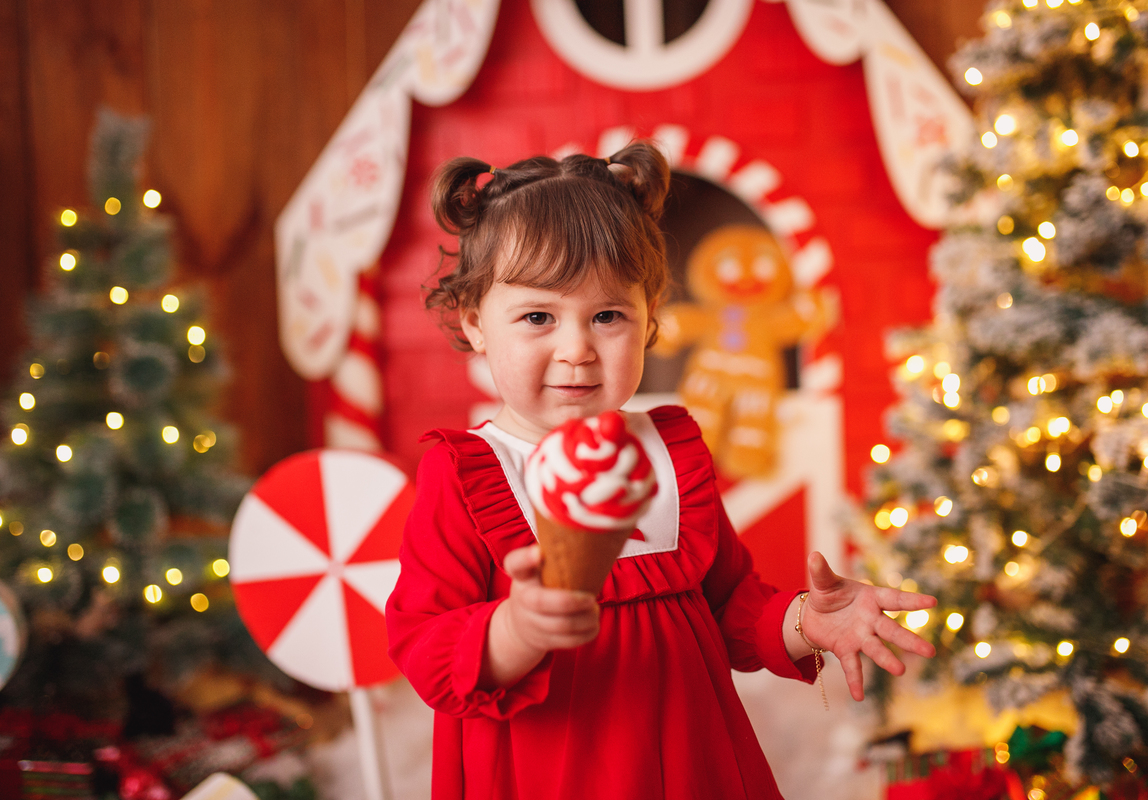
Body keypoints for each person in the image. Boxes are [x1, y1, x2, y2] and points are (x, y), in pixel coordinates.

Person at [385, 142, 937, 800]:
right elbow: (425, 644)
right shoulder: (470, 473)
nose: (576, 350)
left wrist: (803, 622)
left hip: (690, 763)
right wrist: (517, 628)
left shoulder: (670, 453)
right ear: (476, 322)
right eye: (538, 317)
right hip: (550, 771)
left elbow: (730, 607)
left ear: (649, 318)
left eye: (608, 316)